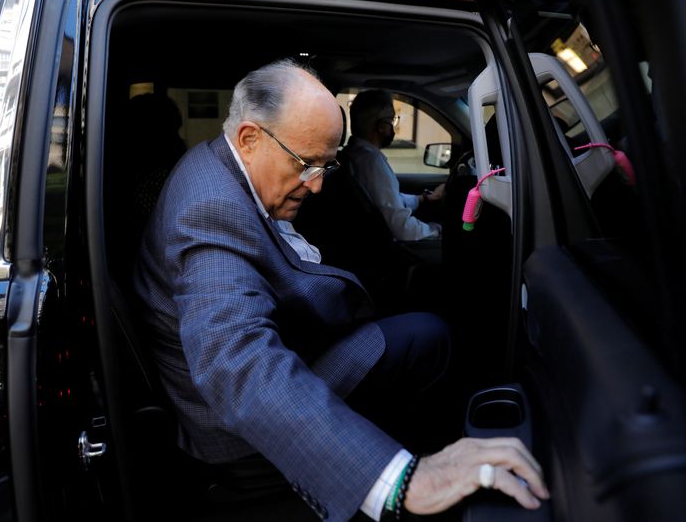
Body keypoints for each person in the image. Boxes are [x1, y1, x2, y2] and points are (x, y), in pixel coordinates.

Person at [133, 58, 548, 521]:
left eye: (325, 166)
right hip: (237, 436)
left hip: (301, 344)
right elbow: (242, 368)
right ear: (250, 138)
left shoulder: (222, 162)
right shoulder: (209, 212)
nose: (315, 186)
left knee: (427, 332)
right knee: (430, 335)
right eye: (305, 164)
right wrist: (402, 478)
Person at [344, 89, 443, 241]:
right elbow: (403, 228)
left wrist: (424, 198)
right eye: (392, 120)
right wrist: (437, 230)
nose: (393, 127)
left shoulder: (354, 155)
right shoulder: (372, 162)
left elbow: (388, 201)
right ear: (382, 126)